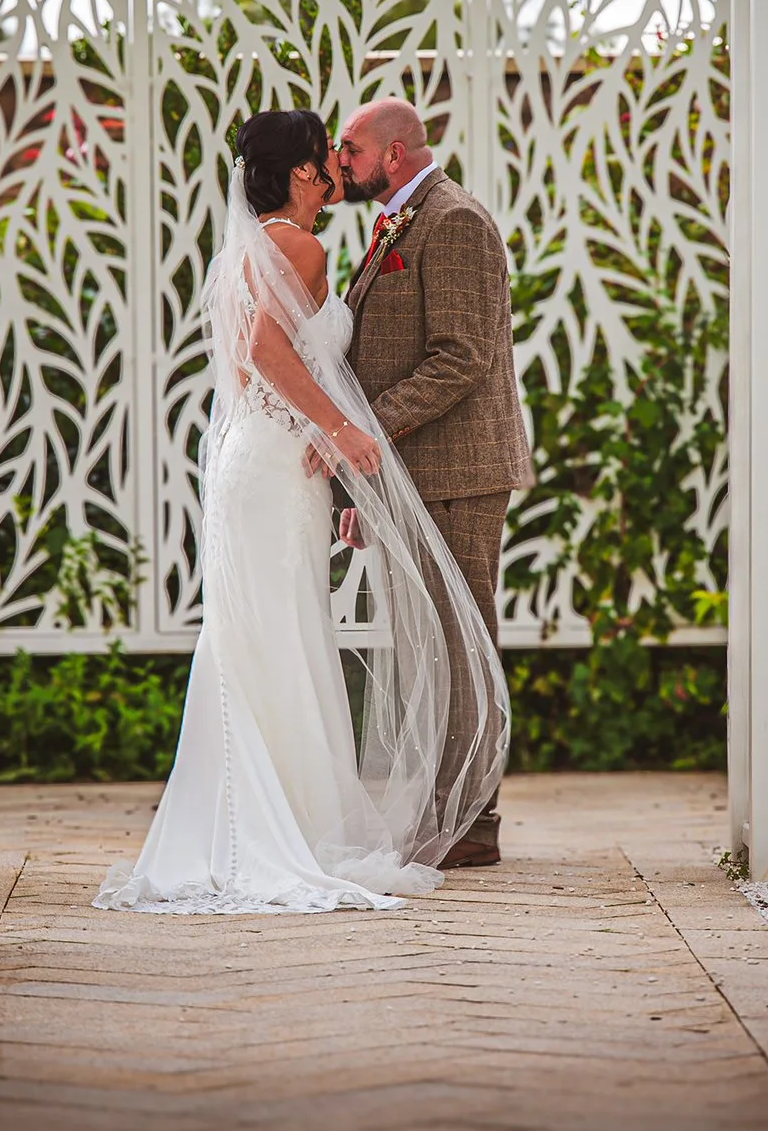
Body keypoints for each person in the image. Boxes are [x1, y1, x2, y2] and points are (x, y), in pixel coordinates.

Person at [95, 109, 510, 914]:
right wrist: (346, 432)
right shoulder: (300, 244)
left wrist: (350, 447)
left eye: (347, 152)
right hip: (285, 462)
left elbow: (444, 352)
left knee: (259, 638)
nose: (337, 166)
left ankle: (248, 820)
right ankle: (288, 825)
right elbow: (266, 353)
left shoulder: (278, 244)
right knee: (281, 636)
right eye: (328, 155)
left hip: (270, 460)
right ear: (301, 172)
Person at [334, 98, 533, 867]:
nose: (337, 161)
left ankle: (473, 824)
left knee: (460, 645)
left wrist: (366, 430)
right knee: (432, 649)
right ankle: (447, 811)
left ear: (392, 154)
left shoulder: (453, 222)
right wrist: (365, 487)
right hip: (411, 474)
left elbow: (462, 355)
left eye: (348, 147)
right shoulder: (397, 222)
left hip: (456, 473)